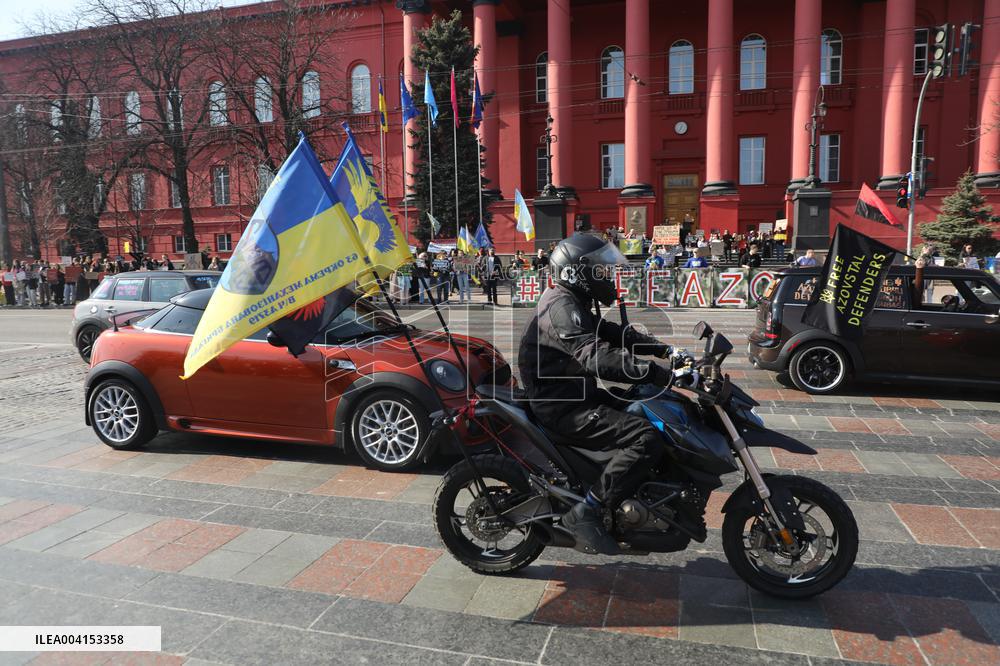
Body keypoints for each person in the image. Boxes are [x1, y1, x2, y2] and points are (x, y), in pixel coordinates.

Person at [519, 234, 689, 554]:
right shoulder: (561, 307)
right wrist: (658, 372)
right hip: (564, 408)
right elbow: (596, 356)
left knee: (645, 404)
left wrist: (666, 350)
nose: (608, 277)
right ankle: (588, 510)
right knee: (645, 438)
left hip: (576, 394)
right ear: (576, 272)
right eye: (600, 271)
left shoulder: (572, 300)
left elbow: (612, 333)